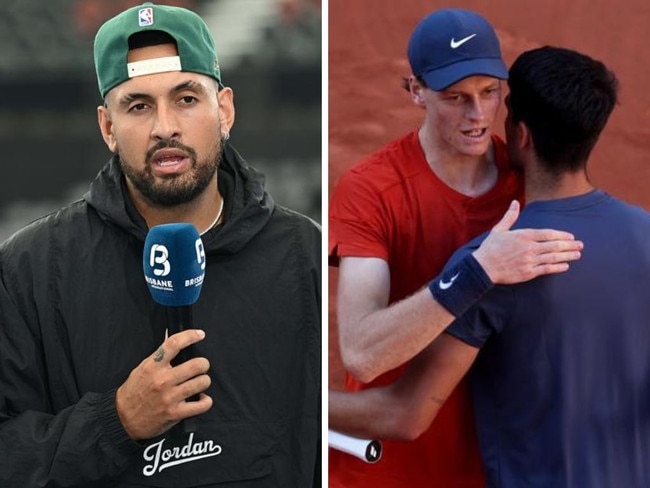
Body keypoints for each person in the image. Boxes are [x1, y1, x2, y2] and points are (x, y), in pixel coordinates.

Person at [0, 3, 320, 487]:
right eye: (138, 105)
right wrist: (116, 421)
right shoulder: (30, 268)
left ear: (225, 110)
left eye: (187, 98)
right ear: (108, 127)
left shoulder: (305, 254)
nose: (164, 126)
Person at [330, 45, 650, 487]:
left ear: (521, 135)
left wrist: (295, 401)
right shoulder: (645, 234)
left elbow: (405, 414)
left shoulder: (498, 261)